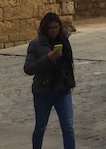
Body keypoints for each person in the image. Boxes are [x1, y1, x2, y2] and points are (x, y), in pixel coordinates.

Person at [24, 12, 76, 149]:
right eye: (51, 28)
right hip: (43, 91)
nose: (54, 30)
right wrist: (48, 58)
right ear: (45, 29)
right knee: (40, 127)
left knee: (68, 127)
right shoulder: (36, 44)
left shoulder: (64, 40)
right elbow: (28, 68)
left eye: (56, 27)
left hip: (62, 90)